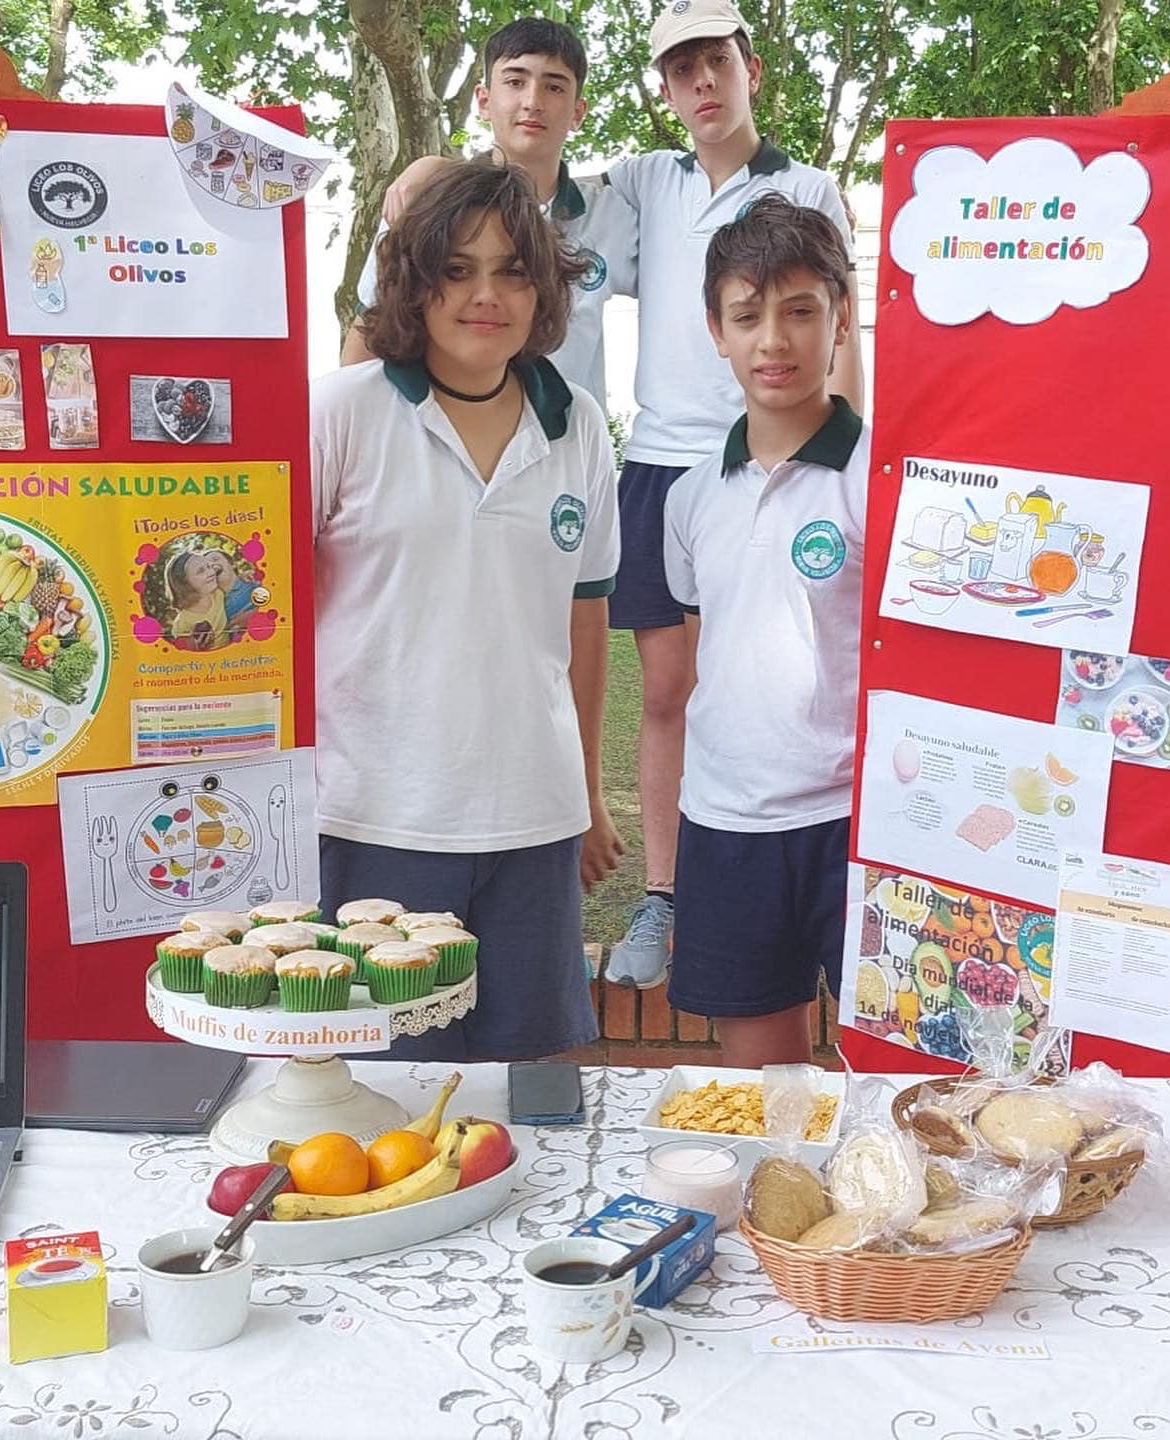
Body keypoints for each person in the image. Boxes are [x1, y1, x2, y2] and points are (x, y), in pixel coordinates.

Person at [312, 161, 624, 1061]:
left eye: (513, 269)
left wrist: (590, 796)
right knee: (384, 1110)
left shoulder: (583, 429)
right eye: (456, 269)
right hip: (376, 821)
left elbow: (584, 624)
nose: (486, 294)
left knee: (527, 1105)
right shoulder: (341, 414)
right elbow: (269, 620)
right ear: (413, 281)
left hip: (534, 823)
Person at [600, 0, 864, 991]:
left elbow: (847, 324)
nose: (701, 82)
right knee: (675, 692)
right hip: (671, 466)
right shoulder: (641, 183)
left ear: (750, 66)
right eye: (680, 70)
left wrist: (848, 449)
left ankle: (832, 845)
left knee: (805, 665)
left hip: (796, 455)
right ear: (664, 91)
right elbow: (531, 199)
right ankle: (668, 890)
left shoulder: (809, 186)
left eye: (716, 60)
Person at [661, 193, 867, 1066]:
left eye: (799, 312)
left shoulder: (884, 482)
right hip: (728, 822)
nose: (774, 342)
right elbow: (707, 643)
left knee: (892, 1076)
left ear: (842, 319)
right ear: (717, 331)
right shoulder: (689, 496)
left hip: (858, 822)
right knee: (765, 1092)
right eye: (748, 317)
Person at [342, 17, 636, 413]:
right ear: (483, 100)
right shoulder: (425, 202)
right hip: (438, 446)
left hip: (564, 453)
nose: (533, 101)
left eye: (553, 86)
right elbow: (367, 337)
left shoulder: (612, 214)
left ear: (578, 111)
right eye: (515, 82)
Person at [164, 549, 229, 650]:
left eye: (209, 566)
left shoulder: (218, 593)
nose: (212, 572)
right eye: (201, 571)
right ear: (185, 584)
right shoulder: (183, 624)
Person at [203, 547, 255, 633]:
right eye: (206, 566)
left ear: (232, 564)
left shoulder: (253, 582)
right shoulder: (212, 606)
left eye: (215, 559)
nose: (211, 564)